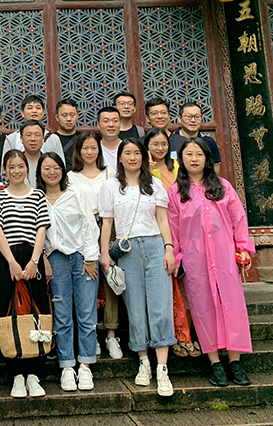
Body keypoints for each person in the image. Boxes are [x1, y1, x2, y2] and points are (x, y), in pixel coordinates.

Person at [167, 137, 256, 388]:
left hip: (224, 256)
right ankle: (215, 362)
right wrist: (177, 257)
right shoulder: (175, 192)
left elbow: (238, 219)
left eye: (199, 154)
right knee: (203, 308)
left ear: (207, 158)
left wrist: (243, 247)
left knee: (232, 306)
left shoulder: (223, 186)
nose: (194, 159)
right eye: (188, 154)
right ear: (181, 159)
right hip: (195, 261)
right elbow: (172, 229)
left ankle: (235, 362)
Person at [99, 139, 176, 398]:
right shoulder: (110, 186)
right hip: (128, 250)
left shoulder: (154, 184)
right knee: (135, 307)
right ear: (119, 157)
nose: (132, 157)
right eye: (127, 153)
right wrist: (104, 253)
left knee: (160, 306)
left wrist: (168, 248)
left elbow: (162, 219)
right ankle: (144, 362)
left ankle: (162, 368)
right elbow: (107, 223)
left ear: (143, 157)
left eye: (137, 153)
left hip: (155, 246)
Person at [0, 149, 51, 398]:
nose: (16, 171)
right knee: (7, 311)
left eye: (21, 166)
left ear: (27, 169)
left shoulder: (37, 195)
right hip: (7, 260)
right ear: (5, 170)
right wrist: (12, 263)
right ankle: (15, 373)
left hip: (32, 258)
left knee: (37, 311)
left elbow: (41, 229)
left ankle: (34, 373)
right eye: (11, 167)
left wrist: (34, 261)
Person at [37, 152, 99, 392]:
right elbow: (35, 232)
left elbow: (89, 224)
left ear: (63, 170)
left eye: (56, 167)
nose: (51, 172)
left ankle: (85, 365)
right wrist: (43, 258)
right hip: (55, 260)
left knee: (86, 314)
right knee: (62, 315)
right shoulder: (37, 198)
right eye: (46, 168)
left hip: (82, 258)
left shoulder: (76, 193)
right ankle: (66, 366)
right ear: (39, 172)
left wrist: (91, 258)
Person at [145, 128, 200, 359]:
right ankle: (177, 336)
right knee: (168, 288)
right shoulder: (143, 171)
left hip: (183, 230)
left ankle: (191, 335)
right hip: (157, 231)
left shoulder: (177, 167)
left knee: (188, 286)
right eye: (155, 144)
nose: (160, 148)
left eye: (163, 144)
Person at [67, 132, 120, 360]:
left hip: (107, 227)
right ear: (78, 151)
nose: (89, 152)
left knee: (109, 280)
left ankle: (111, 334)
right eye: (85, 148)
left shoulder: (110, 174)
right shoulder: (70, 177)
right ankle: (92, 336)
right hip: (81, 232)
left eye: (93, 148)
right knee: (88, 281)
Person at [2, 94, 66, 164]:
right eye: (30, 108)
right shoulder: (12, 139)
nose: (34, 111)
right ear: (22, 113)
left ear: (43, 113)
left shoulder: (53, 139)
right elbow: (5, 166)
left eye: (38, 108)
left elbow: (61, 166)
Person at [169, 102, 221, 171]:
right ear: (179, 119)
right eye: (188, 117)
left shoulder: (209, 141)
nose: (193, 120)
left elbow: (215, 167)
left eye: (197, 117)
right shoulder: (169, 141)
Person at [55, 99, 79, 171]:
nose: (69, 119)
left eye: (72, 115)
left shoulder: (83, 139)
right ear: (57, 117)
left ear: (77, 116)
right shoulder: (51, 139)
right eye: (64, 115)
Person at [20, 120, 45, 188]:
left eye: (37, 135)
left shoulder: (49, 163)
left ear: (43, 138)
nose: (33, 139)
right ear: (21, 138)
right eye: (28, 135)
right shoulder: (15, 163)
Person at [97, 106, 123, 172]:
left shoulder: (127, 149)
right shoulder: (94, 150)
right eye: (106, 121)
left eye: (115, 121)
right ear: (98, 125)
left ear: (120, 124)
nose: (111, 125)